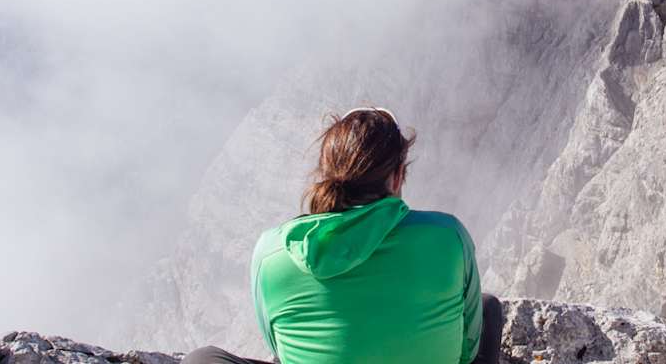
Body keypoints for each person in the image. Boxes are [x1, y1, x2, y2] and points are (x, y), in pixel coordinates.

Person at [184, 107, 502, 364]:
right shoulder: (448, 236)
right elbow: (467, 353)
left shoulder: (273, 252)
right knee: (487, 306)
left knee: (202, 359)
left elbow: (280, 347)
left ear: (327, 175)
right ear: (397, 178)